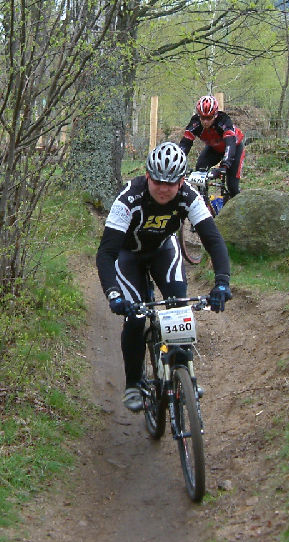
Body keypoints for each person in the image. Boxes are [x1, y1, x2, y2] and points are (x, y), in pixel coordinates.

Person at [96, 142, 232, 412]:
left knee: (178, 308)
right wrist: (113, 293)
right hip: (128, 255)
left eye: (171, 183)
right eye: (157, 181)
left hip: (162, 251)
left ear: (182, 181)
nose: (163, 188)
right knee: (135, 318)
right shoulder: (129, 198)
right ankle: (134, 383)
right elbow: (106, 253)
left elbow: (214, 241)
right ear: (148, 176)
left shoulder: (189, 196)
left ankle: (184, 373)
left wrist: (222, 282)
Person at [178, 94, 245, 202]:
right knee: (200, 168)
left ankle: (238, 211)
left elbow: (230, 145)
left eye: (209, 118)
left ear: (215, 115)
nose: (205, 121)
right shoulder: (195, 122)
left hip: (234, 148)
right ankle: (203, 201)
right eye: (202, 117)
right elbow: (185, 144)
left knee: (232, 186)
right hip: (214, 148)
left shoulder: (224, 120)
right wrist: (177, 162)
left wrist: (224, 166)